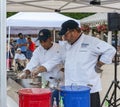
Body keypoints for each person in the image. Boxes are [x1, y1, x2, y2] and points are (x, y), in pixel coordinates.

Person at [58, 20, 116, 107]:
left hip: (89, 89)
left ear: (73, 31)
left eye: (66, 35)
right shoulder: (67, 45)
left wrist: (99, 64)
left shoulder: (91, 41)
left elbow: (110, 50)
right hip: (70, 89)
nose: (64, 38)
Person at [18, 29, 64, 106]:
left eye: (44, 41)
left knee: (60, 103)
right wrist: (26, 71)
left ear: (50, 39)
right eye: (40, 42)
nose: (42, 44)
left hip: (60, 82)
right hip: (47, 83)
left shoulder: (60, 48)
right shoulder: (38, 50)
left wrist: (38, 69)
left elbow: (53, 62)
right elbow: (32, 62)